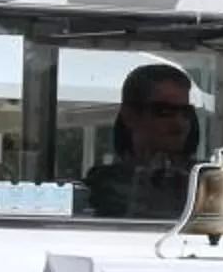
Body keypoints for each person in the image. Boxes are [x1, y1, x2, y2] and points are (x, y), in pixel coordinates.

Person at [83, 63, 203, 220]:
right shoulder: (101, 188)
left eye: (186, 113)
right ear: (130, 115)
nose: (180, 124)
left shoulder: (206, 182)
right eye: (165, 111)